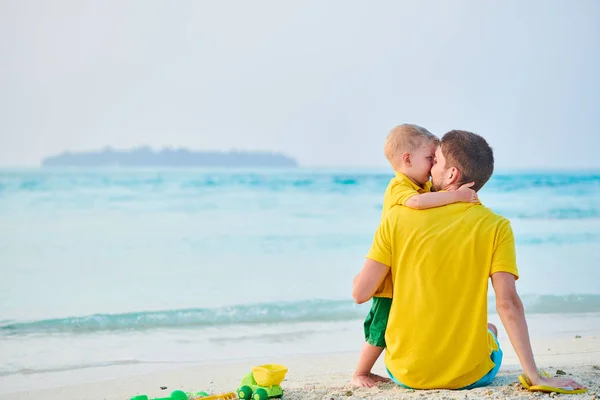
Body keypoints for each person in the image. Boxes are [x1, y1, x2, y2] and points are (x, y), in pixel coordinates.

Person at [352, 130, 586, 392]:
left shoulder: (396, 217)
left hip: (405, 374)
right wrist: (535, 375)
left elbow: (362, 293)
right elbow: (507, 303)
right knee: (491, 329)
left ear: (451, 174)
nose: (430, 170)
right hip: (470, 377)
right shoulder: (497, 227)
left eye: (435, 161)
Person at [352, 124, 478, 387]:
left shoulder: (419, 185)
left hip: (405, 268)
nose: (433, 165)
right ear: (407, 159)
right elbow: (418, 205)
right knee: (381, 325)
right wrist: (458, 197)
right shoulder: (400, 186)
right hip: (389, 270)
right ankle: (361, 372)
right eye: (430, 159)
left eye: (436, 160)